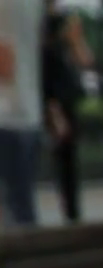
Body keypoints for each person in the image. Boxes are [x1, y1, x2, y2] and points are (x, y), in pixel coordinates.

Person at [41, 0, 88, 224]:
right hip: (50, 100)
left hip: (65, 99)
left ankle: (72, 212)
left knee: (67, 157)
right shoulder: (39, 24)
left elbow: (84, 59)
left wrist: (75, 38)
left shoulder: (65, 21)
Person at [0, 0, 42, 229]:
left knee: (15, 213)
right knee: (22, 208)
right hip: (28, 114)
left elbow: (5, 64)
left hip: (6, 116)